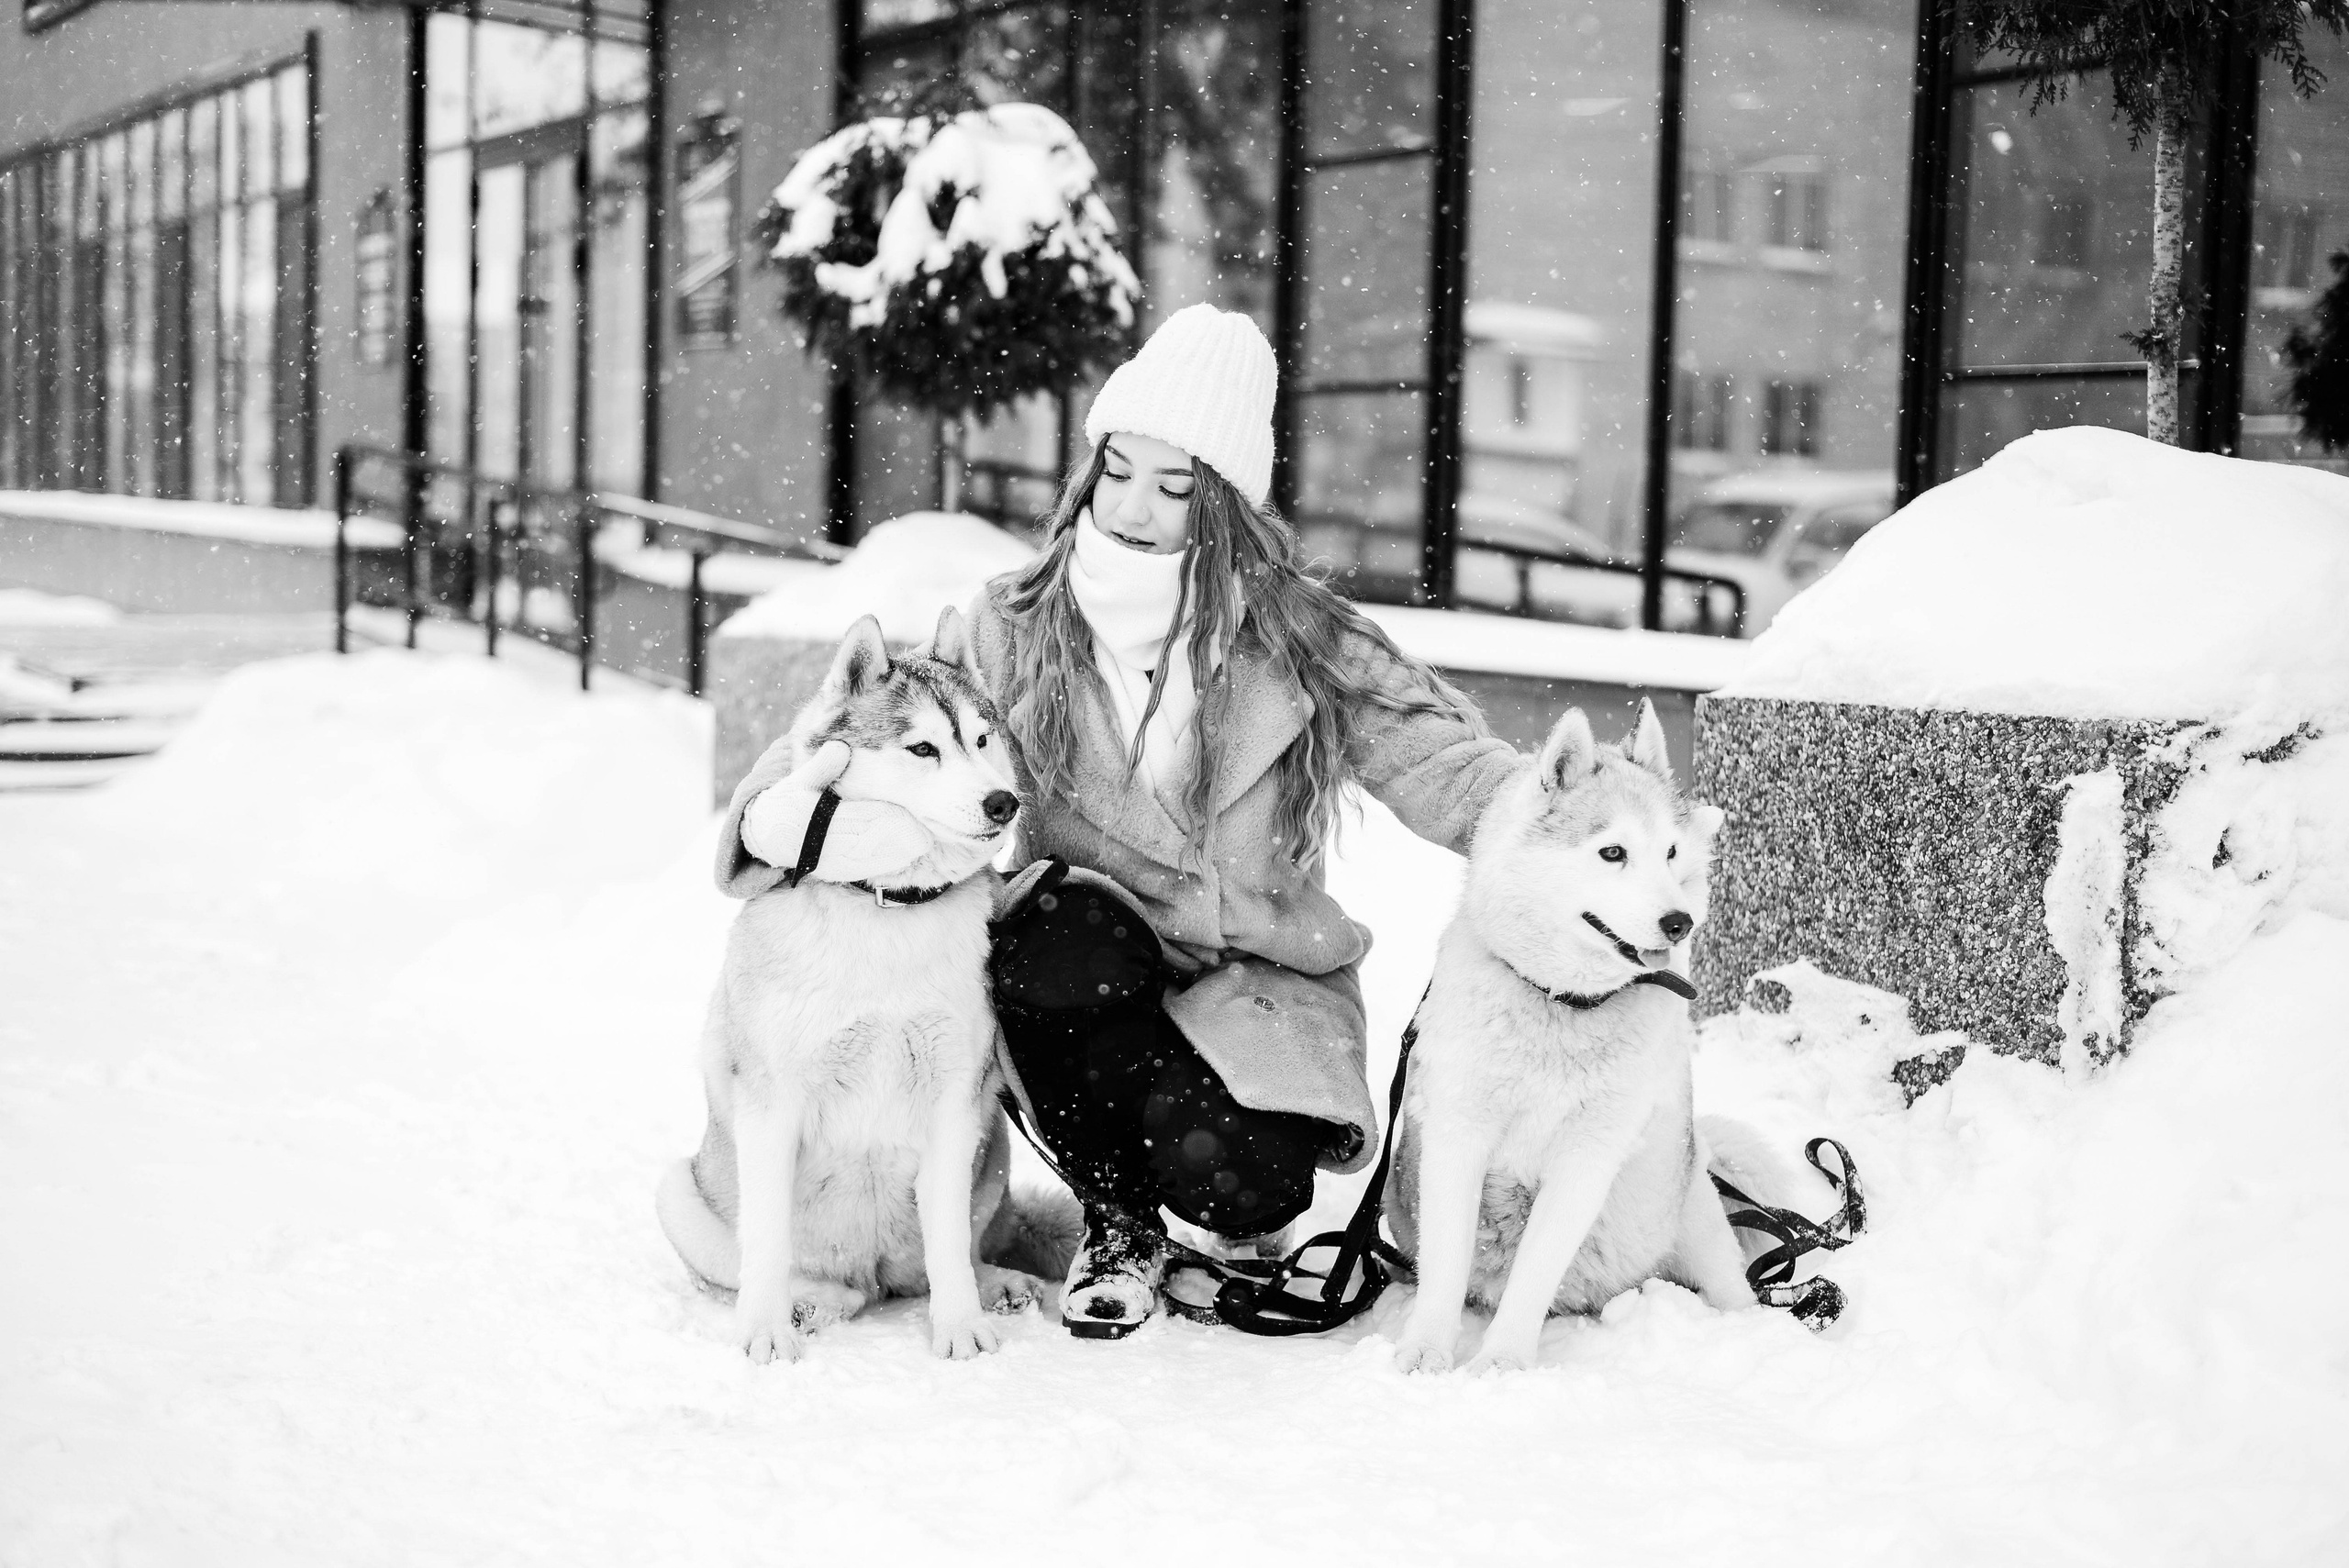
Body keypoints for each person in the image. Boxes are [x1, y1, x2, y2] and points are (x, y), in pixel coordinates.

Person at [716, 305, 1525, 1339]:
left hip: (1253, 982)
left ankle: (1207, 1176)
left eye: (1177, 486)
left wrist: (1577, 834)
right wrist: (780, 814)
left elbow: (1439, 752)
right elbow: (886, 730)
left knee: (1249, 1182)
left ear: (1225, 505)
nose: (1137, 506)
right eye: (1119, 470)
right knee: (1053, 936)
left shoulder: (1302, 636)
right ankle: (1119, 1217)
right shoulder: (1015, 620)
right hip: (1085, 972)